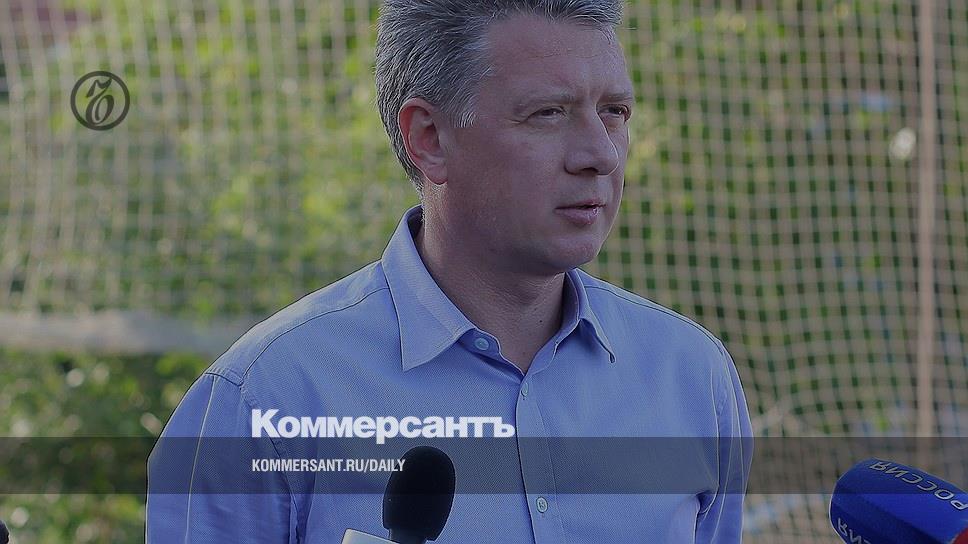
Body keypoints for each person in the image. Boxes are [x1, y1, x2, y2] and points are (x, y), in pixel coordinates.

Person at [147, 1, 753, 542]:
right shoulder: (266, 396)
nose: (600, 154)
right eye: (548, 113)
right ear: (430, 138)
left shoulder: (692, 376)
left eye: (615, 112)